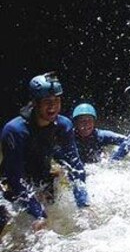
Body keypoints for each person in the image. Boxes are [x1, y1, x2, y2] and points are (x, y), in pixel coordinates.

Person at [1, 73, 90, 230]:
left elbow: (75, 167)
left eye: (57, 101)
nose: (53, 107)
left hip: (42, 180)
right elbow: (14, 178)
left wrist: (83, 204)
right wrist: (38, 213)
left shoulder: (64, 126)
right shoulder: (14, 130)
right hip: (11, 188)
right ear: (35, 103)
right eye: (47, 102)